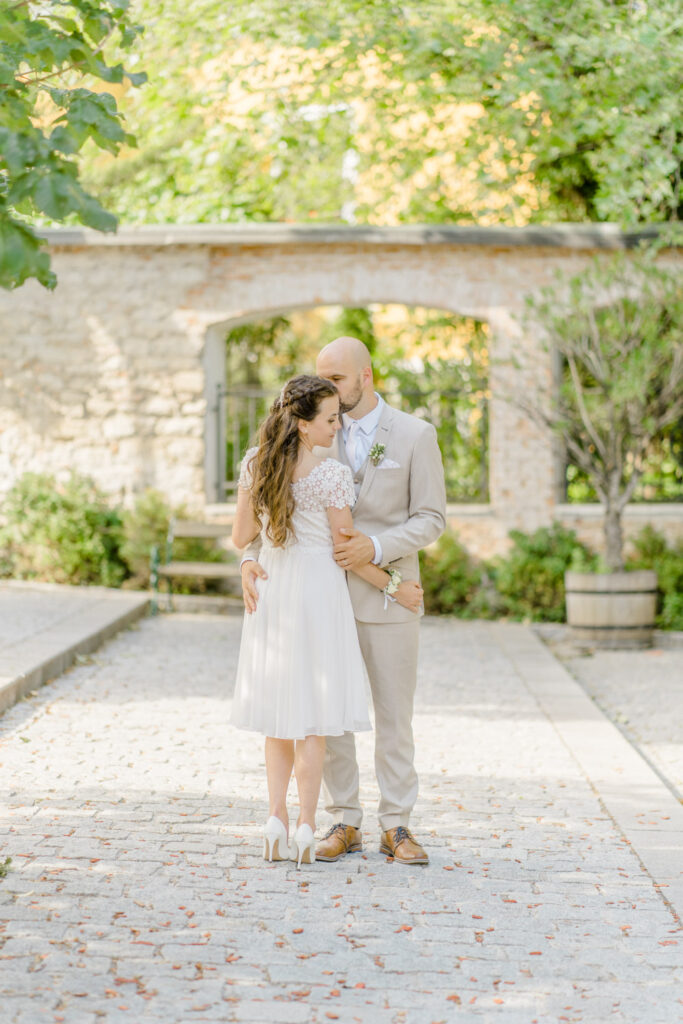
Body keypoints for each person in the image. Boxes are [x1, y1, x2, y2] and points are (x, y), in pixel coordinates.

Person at [242, 342, 446, 866]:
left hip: (387, 589)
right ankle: (342, 818)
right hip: (320, 598)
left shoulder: (415, 435)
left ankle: (396, 823)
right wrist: (248, 559)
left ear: (366, 375)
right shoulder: (311, 432)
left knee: (393, 714)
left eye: (336, 376)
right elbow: (272, 515)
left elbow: (430, 518)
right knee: (322, 715)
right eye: (320, 377)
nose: (327, 385)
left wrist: (376, 553)